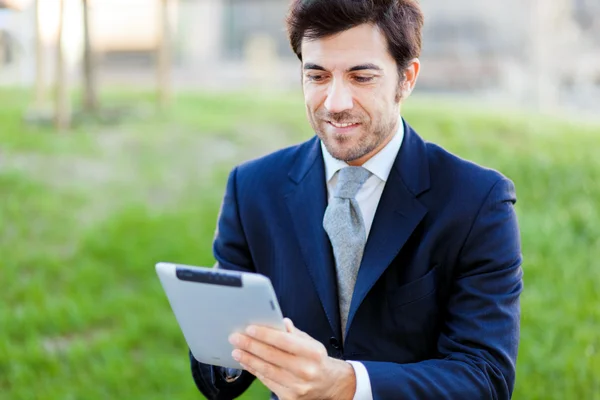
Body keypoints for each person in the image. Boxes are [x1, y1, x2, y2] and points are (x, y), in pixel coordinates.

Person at [189, 0, 523, 399]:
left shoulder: (477, 201)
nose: (335, 103)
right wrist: (229, 349)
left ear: (407, 78)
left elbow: (485, 378)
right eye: (317, 76)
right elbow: (217, 376)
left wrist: (347, 383)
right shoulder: (252, 188)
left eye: (361, 77)